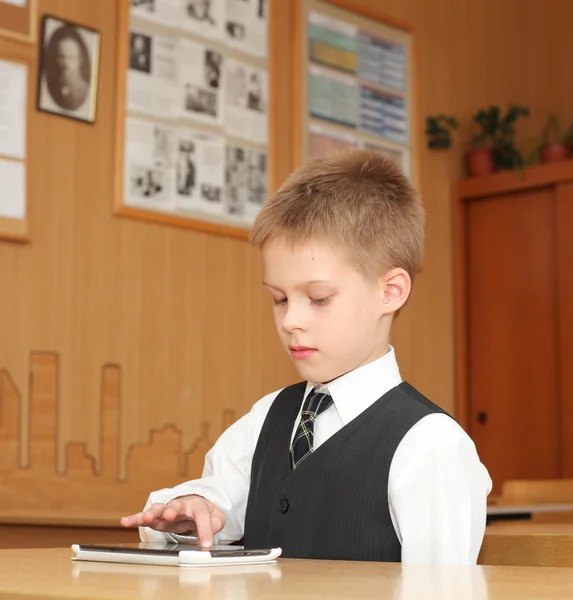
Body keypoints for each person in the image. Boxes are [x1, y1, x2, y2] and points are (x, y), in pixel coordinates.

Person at [121, 150, 492, 564]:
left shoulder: (429, 444)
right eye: (279, 298)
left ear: (390, 292)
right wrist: (192, 511)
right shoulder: (267, 418)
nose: (291, 320)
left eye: (318, 298)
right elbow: (214, 509)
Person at [44, 26, 90, 111]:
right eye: (62, 57)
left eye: (70, 57)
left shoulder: (84, 90)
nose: (65, 63)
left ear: (79, 60)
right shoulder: (53, 87)